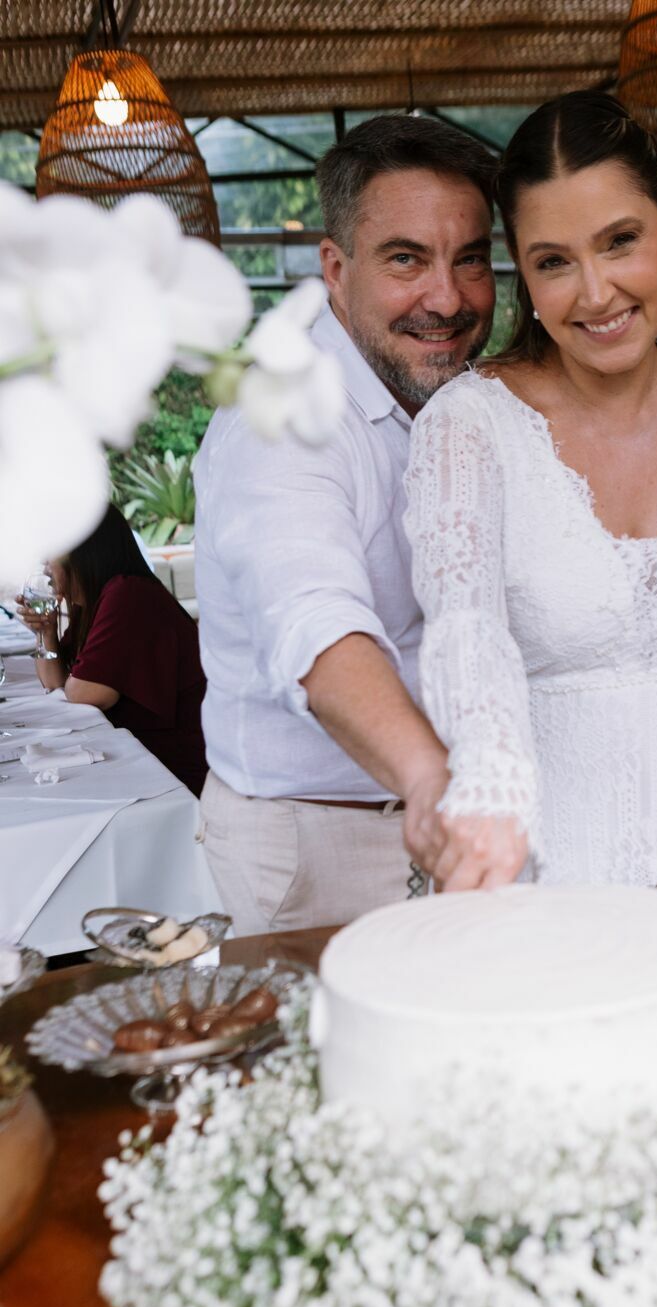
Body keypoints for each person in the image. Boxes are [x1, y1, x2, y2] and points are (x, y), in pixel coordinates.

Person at [404, 92, 657, 925]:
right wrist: (491, 815)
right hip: (538, 877)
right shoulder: (468, 426)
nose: (595, 293)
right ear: (521, 267)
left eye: (619, 241)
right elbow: (464, 637)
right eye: (554, 261)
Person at [193, 115, 497, 935]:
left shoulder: (466, 402)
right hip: (316, 844)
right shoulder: (283, 413)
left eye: (470, 258)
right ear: (335, 268)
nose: (448, 298)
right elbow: (313, 620)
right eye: (406, 259)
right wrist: (433, 779)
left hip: (453, 812)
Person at [16, 506, 208, 793]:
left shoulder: (128, 594)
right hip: (139, 756)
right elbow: (55, 683)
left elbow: (87, 694)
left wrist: (73, 682)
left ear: (82, 550)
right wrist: (45, 632)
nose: (44, 564)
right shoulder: (96, 601)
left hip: (175, 772)